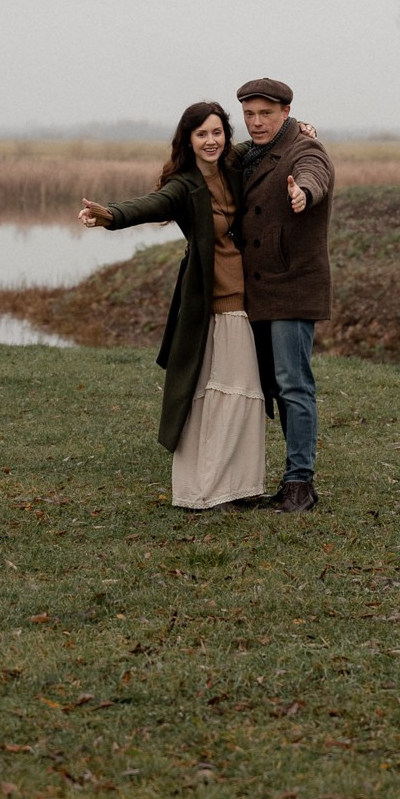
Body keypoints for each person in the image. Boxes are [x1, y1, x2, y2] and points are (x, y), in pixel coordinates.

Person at [79, 101, 266, 512]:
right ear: (188, 140)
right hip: (212, 302)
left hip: (245, 299)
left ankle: (236, 488)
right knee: (219, 394)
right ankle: (206, 491)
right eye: (202, 134)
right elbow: (151, 204)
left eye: (217, 132)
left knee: (239, 394)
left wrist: (301, 129)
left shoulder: (235, 163)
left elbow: (269, 141)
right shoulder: (184, 186)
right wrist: (110, 215)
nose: (211, 141)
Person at [235, 77, 334, 514]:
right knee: (272, 386)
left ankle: (299, 484)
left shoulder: (305, 149)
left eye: (266, 114)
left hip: (291, 286)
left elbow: (316, 176)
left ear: (285, 112)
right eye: (249, 114)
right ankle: (282, 477)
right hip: (258, 288)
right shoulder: (248, 156)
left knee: (295, 385)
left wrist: (303, 193)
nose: (256, 122)